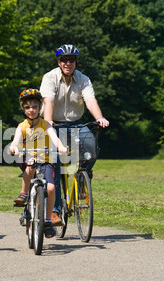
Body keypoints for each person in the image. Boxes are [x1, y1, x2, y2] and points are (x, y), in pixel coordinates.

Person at [40, 44, 109, 225]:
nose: (68, 63)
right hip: (53, 123)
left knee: (92, 147)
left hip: (76, 123)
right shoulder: (50, 77)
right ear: (59, 62)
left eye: (71, 60)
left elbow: (90, 100)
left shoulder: (83, 79)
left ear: (76, 62)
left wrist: (99, 117)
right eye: (64, 60)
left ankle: (82, 178)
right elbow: (48, 101)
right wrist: (48, 122)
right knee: (54, 162)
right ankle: (54, 211)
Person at [9, 89, 67, 238]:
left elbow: (54, 137)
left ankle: (47, 220)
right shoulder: (21, 126)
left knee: (52, 187)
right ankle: (23, 193)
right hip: (29, 158)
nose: (31, 110)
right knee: (29, 166)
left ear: (40, 107)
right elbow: (15, 140)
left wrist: (60, 146)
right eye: (27, 107)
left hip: (46, 159)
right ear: (23, 109)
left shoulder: (46, 124)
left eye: (35, 106)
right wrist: (14, 147)